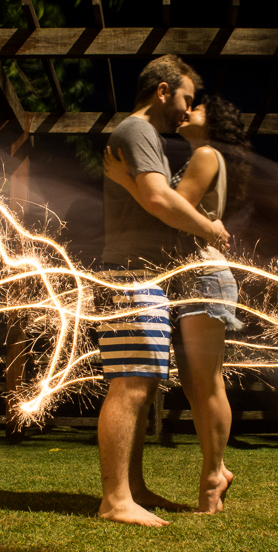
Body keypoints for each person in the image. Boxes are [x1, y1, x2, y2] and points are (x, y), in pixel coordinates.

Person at [96, 55, 231, 527]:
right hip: (131, 274)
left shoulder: (147, 137)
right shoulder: (137, 132)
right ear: (162, 90)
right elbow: (157, 199)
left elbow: (159, 198)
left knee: (142, 380)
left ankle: (132, 490)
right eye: (185, 99)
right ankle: (116, 501)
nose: (186, 109)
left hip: (143, 274)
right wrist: (210, 230)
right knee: (132, 382)